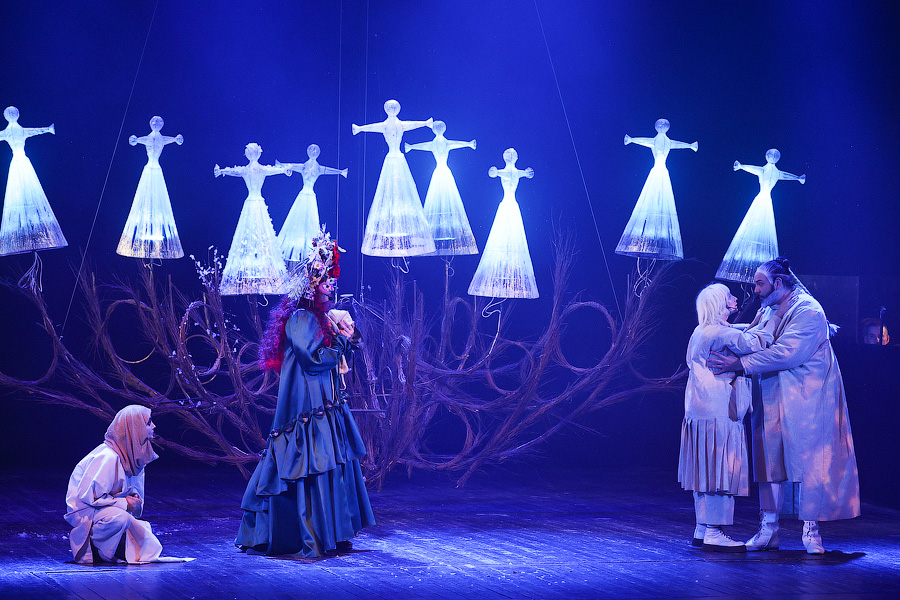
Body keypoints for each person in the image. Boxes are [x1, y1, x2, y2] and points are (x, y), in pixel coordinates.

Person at [235, 228, 375, 557]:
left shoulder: (322, 319)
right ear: (311, 285)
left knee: (328, 461)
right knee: (309, 460)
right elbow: (313, 360)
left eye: (332, 281)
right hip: (307, 404)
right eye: (326, 281)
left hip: (325, 401)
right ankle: (302, 534)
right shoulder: (300, 318)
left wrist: (346, 338)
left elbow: (331, 356)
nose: (331, 286)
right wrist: (341, 342)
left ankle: (332, 532)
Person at [709, 257, 860, 554]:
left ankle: (811, 530)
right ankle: (769, 529)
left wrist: (738, 364)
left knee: (808, 460)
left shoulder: (809, 311)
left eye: (760, 284)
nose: (755, 290)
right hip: (772, 391)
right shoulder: (769, 307)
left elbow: (787, 352)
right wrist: (718, 330)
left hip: (806, 395)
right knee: (769, 459)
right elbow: (755, 336)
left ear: (778, 283)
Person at [679, 283, 786, 552]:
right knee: (720, 470)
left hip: (699, 410)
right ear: (719, 303)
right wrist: (774, 317)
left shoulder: (701, 331)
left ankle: (702, 528)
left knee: (705, 471)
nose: (734, 299)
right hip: (718, 410)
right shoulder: (722, 334)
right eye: (728, 296)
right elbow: (757, 342)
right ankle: (714, 531)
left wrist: (756, 321)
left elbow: (739, 332)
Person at [64, 405, 163, 564]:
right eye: (148, 422)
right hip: (87, 511)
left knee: (143, 540)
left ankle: (112, 548)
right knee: (119, 518)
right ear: (135, 428)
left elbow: (129, 491)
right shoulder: (108, 456)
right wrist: (125, 503)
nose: (154, 426)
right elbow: (90, 497)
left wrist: (133, 499)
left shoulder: (133, 456)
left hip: (107, 508)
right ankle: (94, 547)